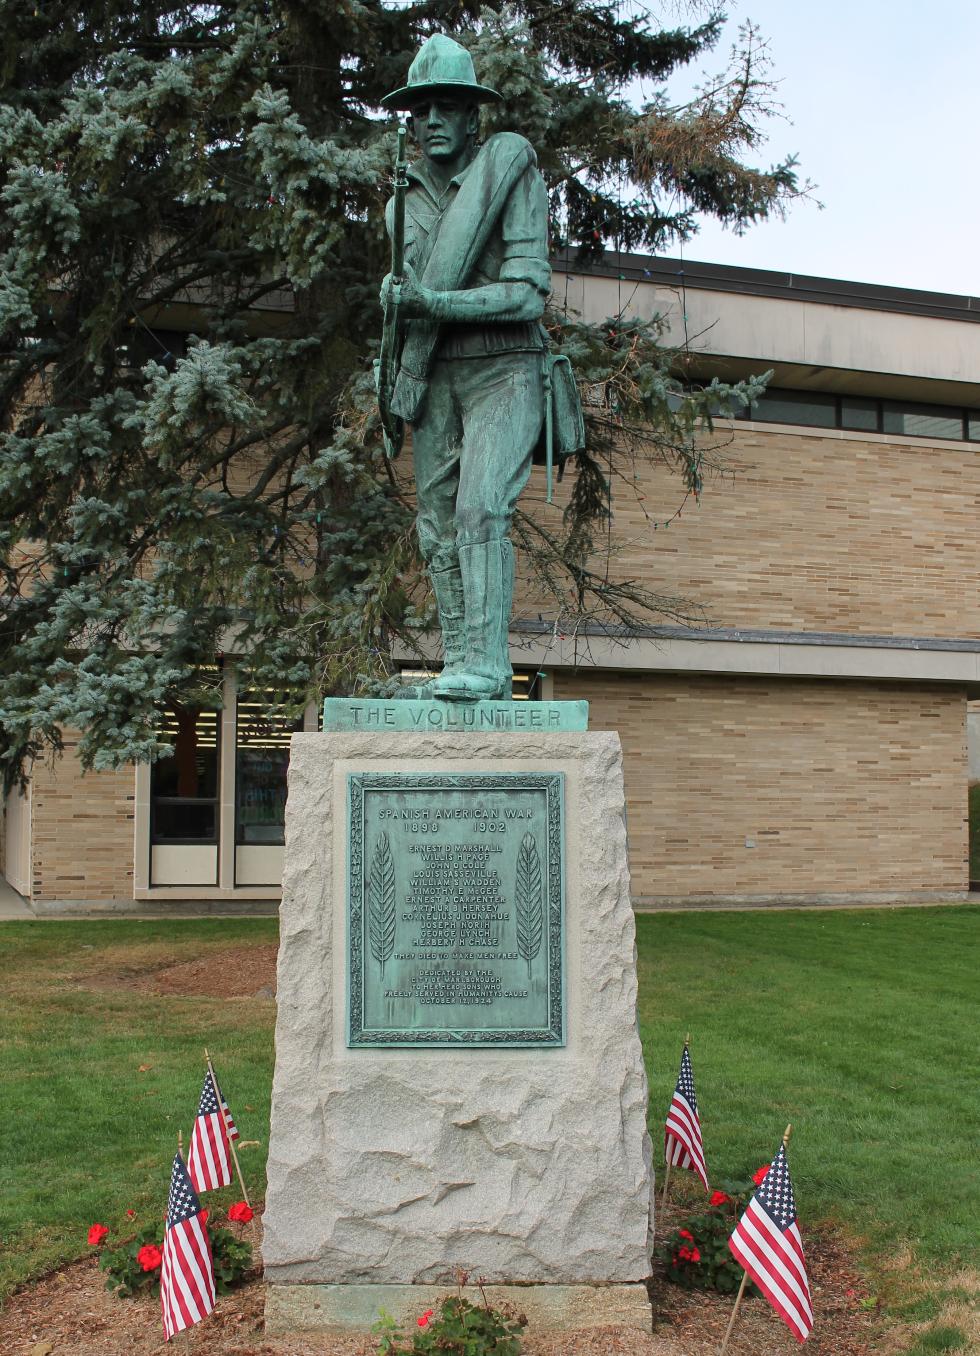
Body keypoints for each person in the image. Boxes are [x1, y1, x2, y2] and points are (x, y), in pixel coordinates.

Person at [379, 34, 551, 701]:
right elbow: (402, 307)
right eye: (420, 110)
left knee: (481, 510)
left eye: (446, 107)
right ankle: (462, 665)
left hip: (506, 369)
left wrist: (434, 300)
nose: (431, 122)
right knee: (437, 526)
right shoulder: (401, 206)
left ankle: (487, 666)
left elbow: (530, 292)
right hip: (435, 378)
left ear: (472, 115)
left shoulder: (510, 169)